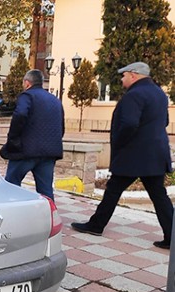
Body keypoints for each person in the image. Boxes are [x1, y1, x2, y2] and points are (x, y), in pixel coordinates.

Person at [71, 62, 173, 249]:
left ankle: (96, 225)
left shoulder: (134, 95)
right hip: (156, 154)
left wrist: (119, 142)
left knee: (113, 190)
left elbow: (128, 124)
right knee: (159, 195)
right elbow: (164, 121)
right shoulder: (159, 94)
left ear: (133, 75)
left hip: (133, 155)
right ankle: (172, 236)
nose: (121, 79)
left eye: (123, 75)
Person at [0, 69, 65, 201]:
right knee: (46, 191)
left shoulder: (27, 96)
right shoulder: (55, 101)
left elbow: (20, 115)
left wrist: (13, 141)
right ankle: (49, 218)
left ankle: (12, 214)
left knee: (11, 184)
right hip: (49, 154)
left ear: (27, 83)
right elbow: (61, 127)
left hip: (25, 152)